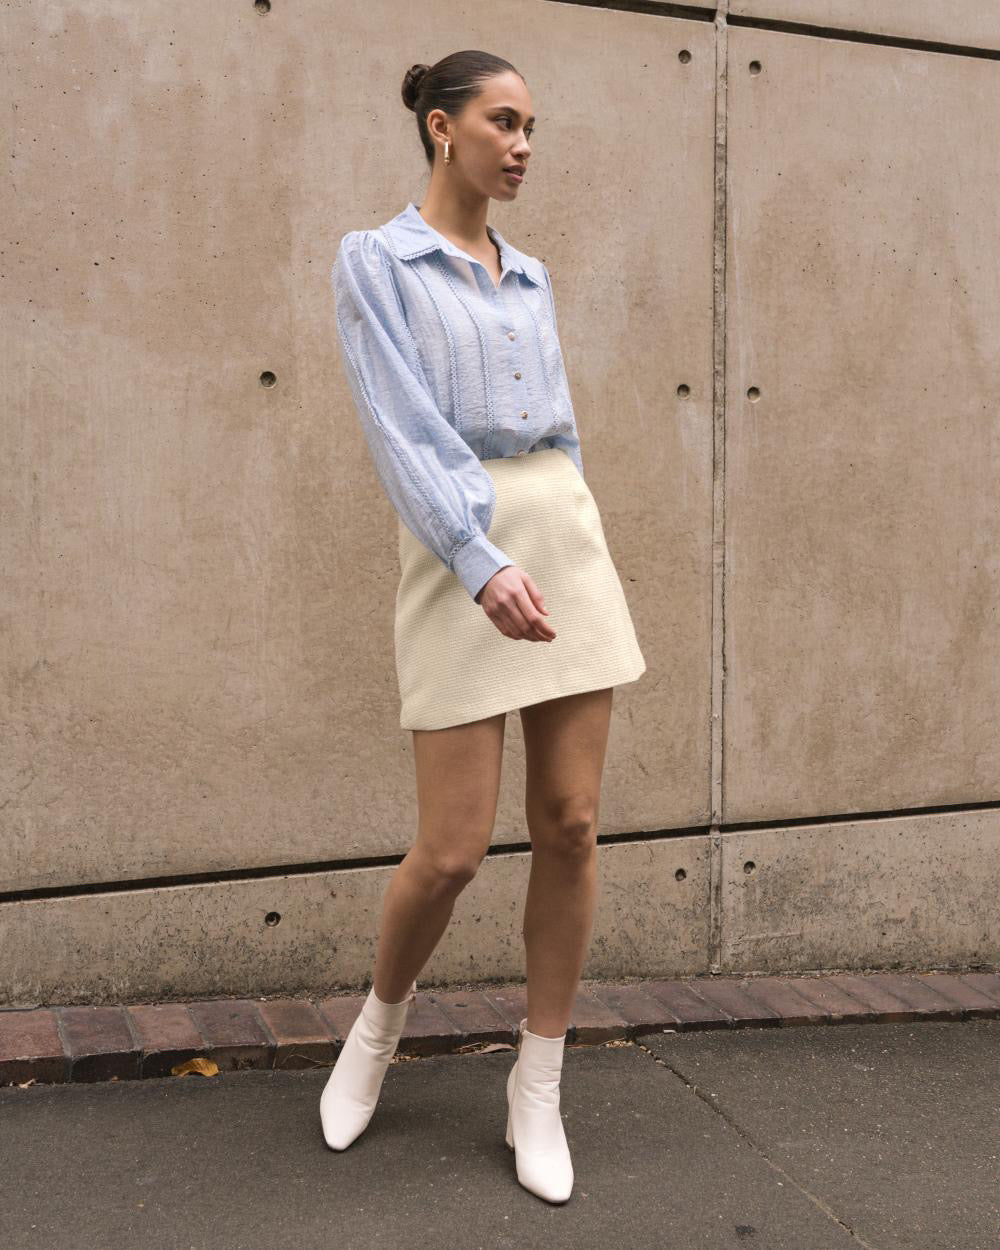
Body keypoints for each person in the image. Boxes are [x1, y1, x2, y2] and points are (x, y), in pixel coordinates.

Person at [321, 49, 646, 1205]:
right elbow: (399, 426)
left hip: (561, 532)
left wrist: (559, 529)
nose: (522, 146)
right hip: (459, 541)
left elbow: (555, 432)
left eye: (530, 127)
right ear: (440, 128)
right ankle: (377, 1025)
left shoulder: (532, 275)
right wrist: (474, 553)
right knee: (452, 848)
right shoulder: (376, 261)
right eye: (503, 122)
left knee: (571, 823)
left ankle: (537, 1081)